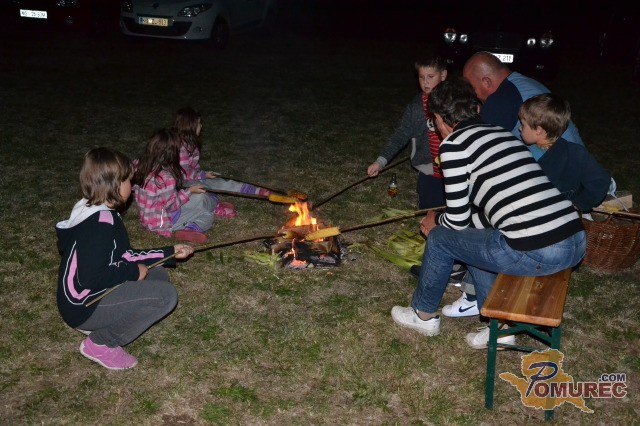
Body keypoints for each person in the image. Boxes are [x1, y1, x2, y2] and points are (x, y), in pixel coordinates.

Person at [390, 77, 586, 349]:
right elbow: (496, 211)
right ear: (476, 109)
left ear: (439, 119)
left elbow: (456, 220)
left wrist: (435, 221)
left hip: (540, 250)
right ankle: (501, 330)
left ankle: (422, 315)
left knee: (440, 238)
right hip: (575, 239)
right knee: (474, 239)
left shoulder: (454, 145)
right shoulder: (504, 135)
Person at [442, 93, 611, 319]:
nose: (519, 129)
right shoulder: (560, 150)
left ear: (539, 130)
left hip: (536, 231)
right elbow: (601, 181)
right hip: (545, 228)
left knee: (484, 236)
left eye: (523, 124)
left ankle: (473, 294)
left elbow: (600, 182)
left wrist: (577, 204)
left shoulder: (536, 155)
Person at [55, 147, 195, 370]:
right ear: (116, 185)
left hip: (86, 296)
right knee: (165, 296)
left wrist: (169, 252)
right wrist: (132, 272)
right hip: (83, 305)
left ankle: (104, 321)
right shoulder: (101, 225)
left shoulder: (95, 210)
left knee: (158, 275)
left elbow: (125, 255)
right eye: (129, 180)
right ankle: (101, 343)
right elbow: (92, 277)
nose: (133, 184)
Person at [462, 51, 584, 160]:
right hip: (579, 158)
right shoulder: (523, 82)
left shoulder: (501, 100)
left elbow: (473, 146)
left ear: (486, 82)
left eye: (472, 88)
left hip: (559, 169)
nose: (473, 95)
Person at [367, 56, 448, 210]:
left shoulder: (454, 103)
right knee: (427, 210)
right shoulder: (416, 107)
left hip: (454, 171)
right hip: (428, 171)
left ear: (443, 75)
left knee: (451, 212)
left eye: (430, 77)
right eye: (421, 77)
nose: (425, 82)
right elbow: (401, 135)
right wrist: (380, 161)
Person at [174, 106, 272, 218]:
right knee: (203, 190)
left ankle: (252, 190)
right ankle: (214, 206)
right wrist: (203, 175)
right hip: (182, 183)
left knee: (217, 181)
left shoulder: (191, 143)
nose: (201, 126)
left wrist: (203, 174)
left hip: (193, 177)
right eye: (199, 123)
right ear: (190, 126)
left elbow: (193, 168)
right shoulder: (180, 147)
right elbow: (183, 173)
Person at [133, 128, 216, 244]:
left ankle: (213, 204)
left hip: (147, 217)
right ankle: (190, 229)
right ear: (171, 152)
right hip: (162, 222)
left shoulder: (138, 165)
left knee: (198, 198)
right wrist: (189, 191)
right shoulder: (166, 178)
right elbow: (172, 206)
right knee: (207, 215)